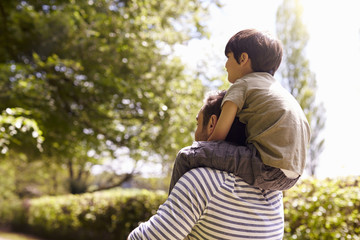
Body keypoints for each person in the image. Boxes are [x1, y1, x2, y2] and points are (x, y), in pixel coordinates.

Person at [128, 91, 285, 239]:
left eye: (198, 123)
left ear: (212, 124)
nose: (195, 134)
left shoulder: (203, 181)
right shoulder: (273, 191)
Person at [170, 29, 311, 192]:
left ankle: (172, 208)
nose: (225, 65)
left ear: (243, 58)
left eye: (228, 57)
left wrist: (202, 153)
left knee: (187, 155)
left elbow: (217, 138)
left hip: (265, 166)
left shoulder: (242, 84)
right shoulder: (276, 90)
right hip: (291, 177)